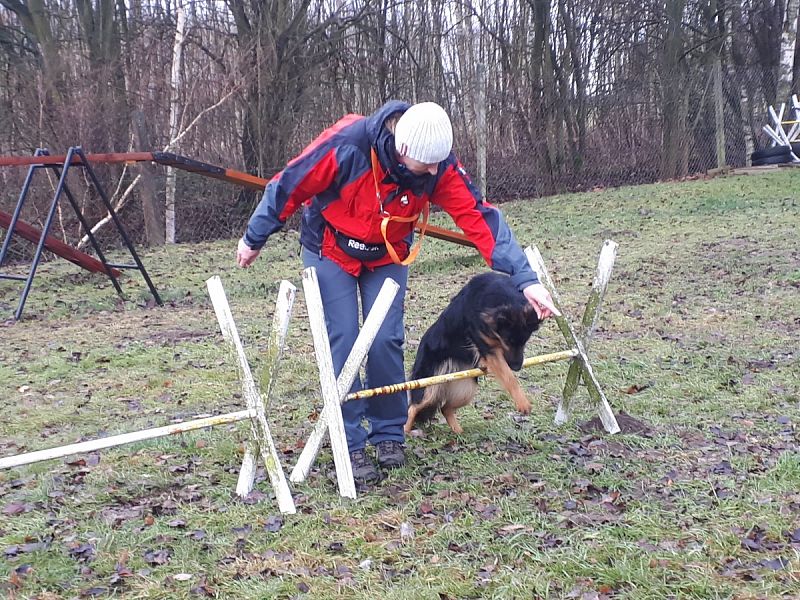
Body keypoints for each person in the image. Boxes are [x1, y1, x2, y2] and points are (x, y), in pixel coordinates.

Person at [236, 100, 558, 487]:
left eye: (441, 163)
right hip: (330, 248)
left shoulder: (438, 166)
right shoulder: (348, 146)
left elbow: (481, 218)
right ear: (403, 151)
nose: (437, 171)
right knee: (345, 341)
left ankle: (389, 433)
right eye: (429, 164)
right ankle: (350, 442)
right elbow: (289, 182)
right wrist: (255, 236)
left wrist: (526, 280)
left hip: (386, 252)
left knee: (386, 338)